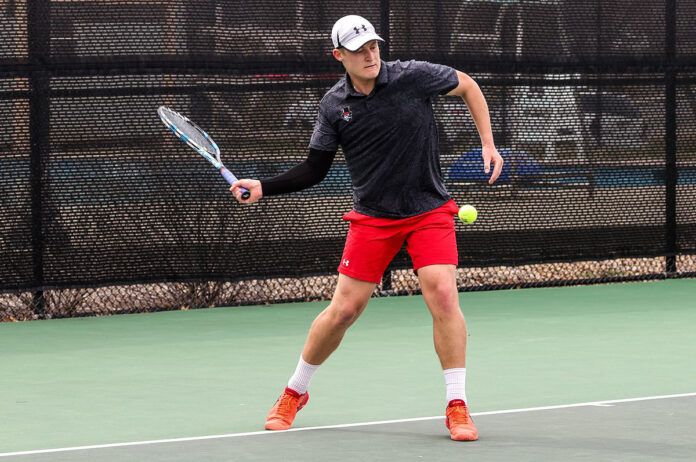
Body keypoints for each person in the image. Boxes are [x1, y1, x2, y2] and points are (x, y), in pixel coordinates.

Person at [230, 14, 503, 441]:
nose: (370, 55)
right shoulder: (333, 106)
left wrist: (487, 142)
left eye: (374, 46)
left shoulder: (412, 76)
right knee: (343, 311)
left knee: (443, 291)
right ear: (340, 56)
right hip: (374, 217)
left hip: (429, 209)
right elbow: (315, 169)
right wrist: (264, 186)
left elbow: (467, 84)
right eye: (359, 50)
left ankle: (457, 405)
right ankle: (294, 392)